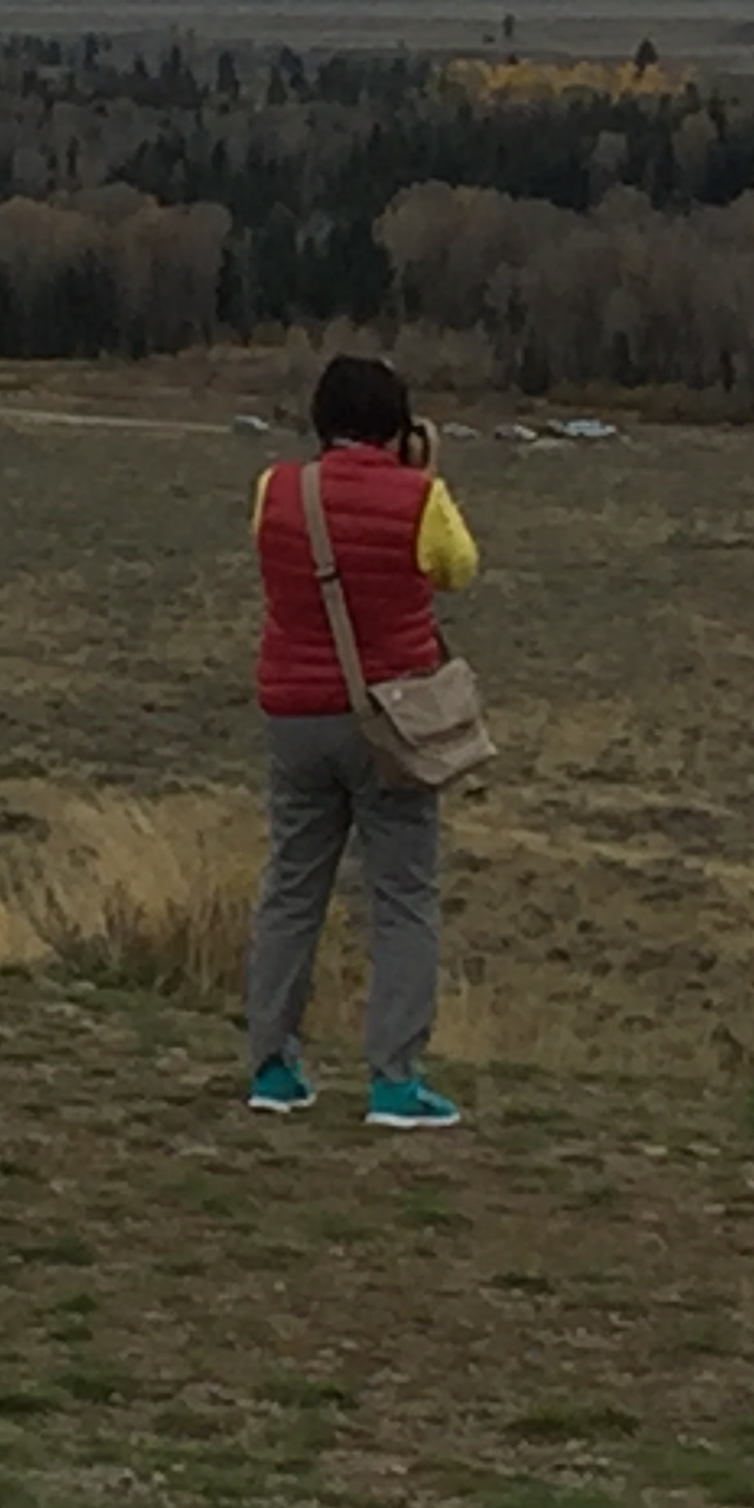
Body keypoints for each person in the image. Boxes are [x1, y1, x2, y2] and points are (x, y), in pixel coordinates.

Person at [244, 356, 482, 1131]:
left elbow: (272, 558)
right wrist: (424, 477)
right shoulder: (420, 498)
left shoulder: (277, 490)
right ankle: (394, 1080)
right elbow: (458, 569)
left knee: (292, 888)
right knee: (404, 896)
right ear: (397, 426)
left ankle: (272, 1066)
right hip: (391, 718)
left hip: (294, 714)